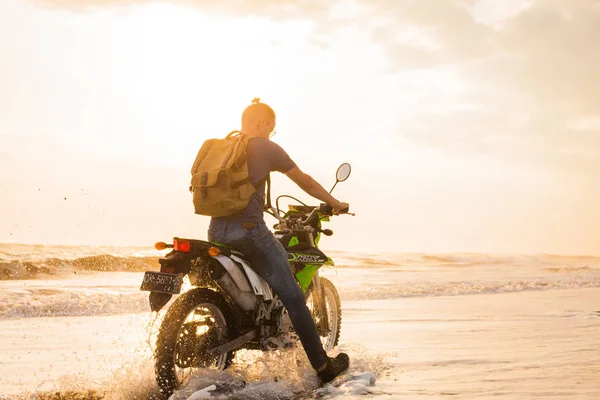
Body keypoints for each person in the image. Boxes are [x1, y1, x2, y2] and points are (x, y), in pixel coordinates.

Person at [207, 98, 350, 382]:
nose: (270, 134)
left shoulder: (221, 147)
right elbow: (305, 181)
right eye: (270, 128)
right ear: (262, 122)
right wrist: (334, 202)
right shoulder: (264, 147)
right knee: (295, 296)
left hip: (215, 231)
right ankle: (324, 368)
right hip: (249, 231)